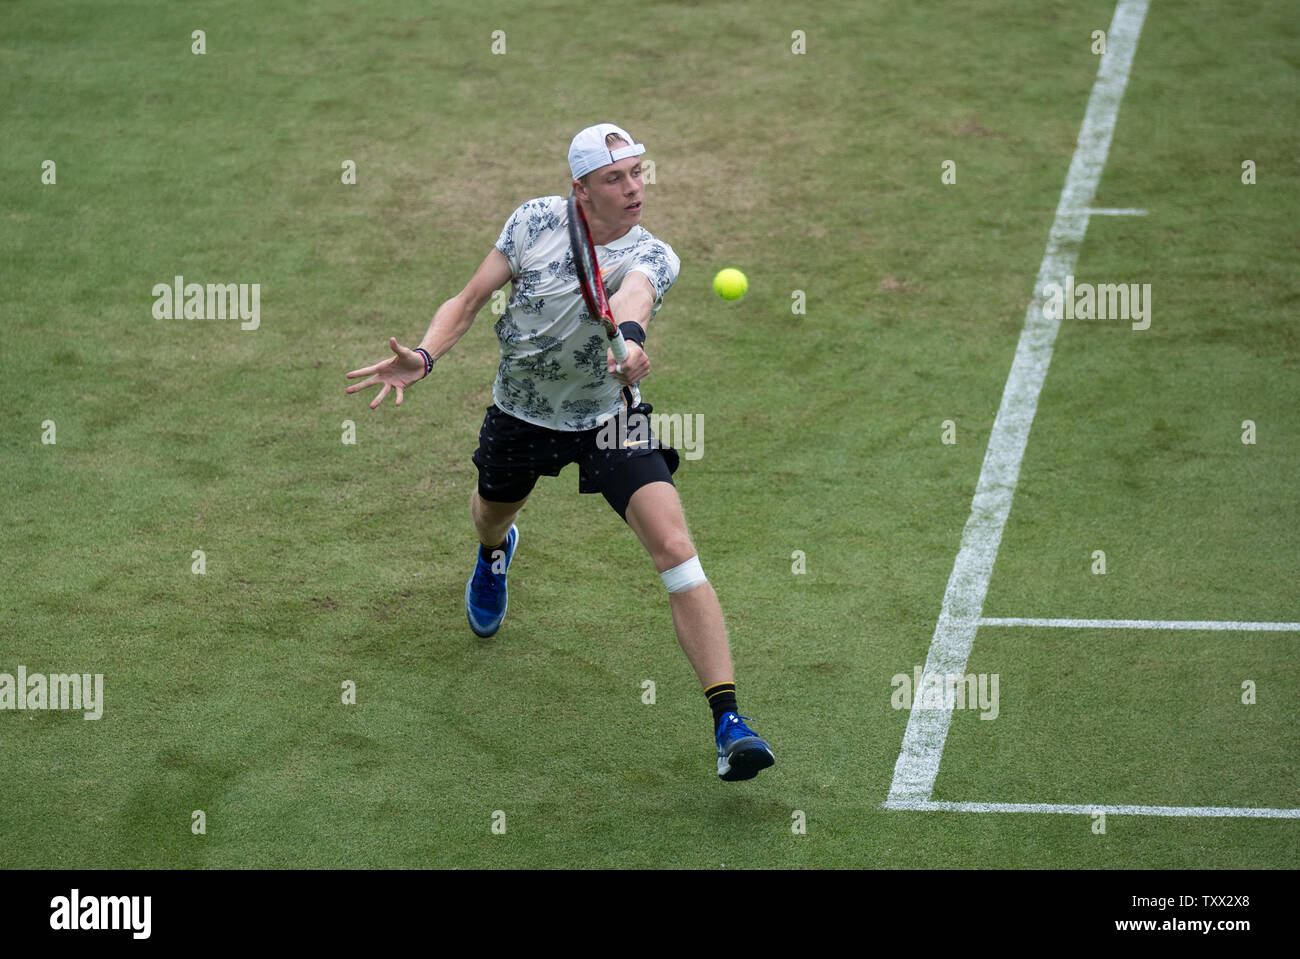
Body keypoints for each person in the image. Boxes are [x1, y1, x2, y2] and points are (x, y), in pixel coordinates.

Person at [345, 123, 773, 782]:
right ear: (582, 189)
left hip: (607, 419)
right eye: (615, 178)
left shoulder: (654, 252)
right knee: (491, 513)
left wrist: (628, 343)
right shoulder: (534, 223)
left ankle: (730, 722)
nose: (633, 188)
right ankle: (495, 554)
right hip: (520, 415)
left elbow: (635, 299)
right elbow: (469, 300)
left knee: (676, 549)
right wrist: (425, 356)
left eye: (637, 172)